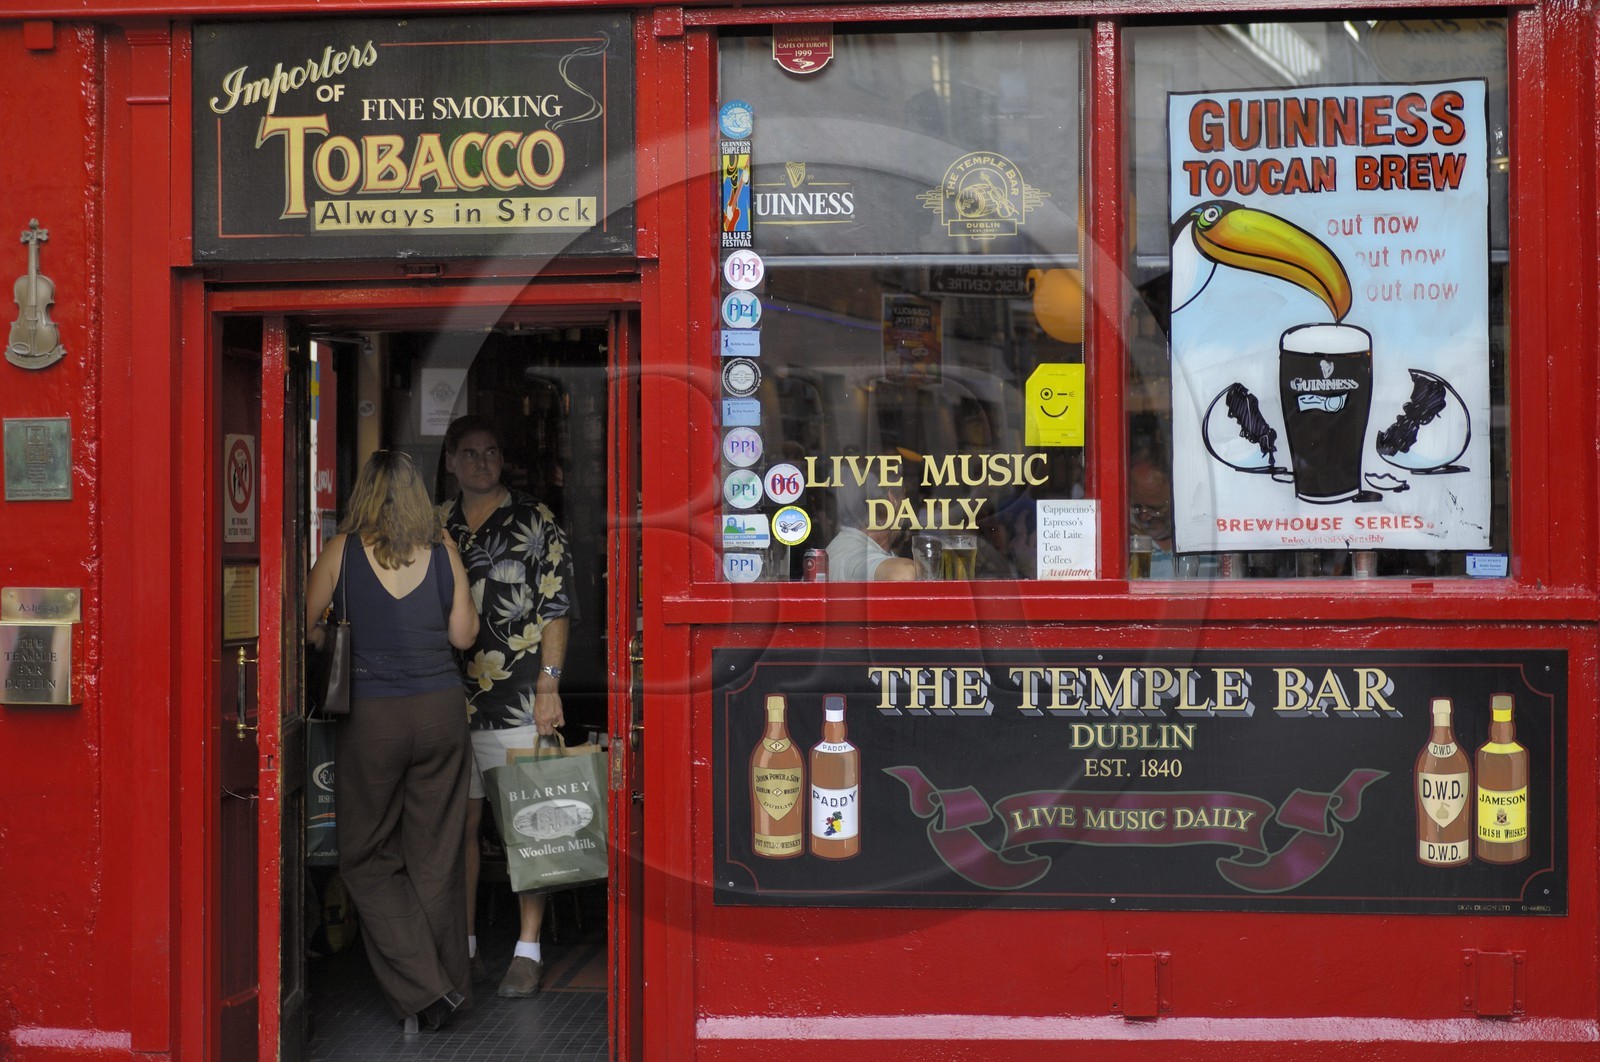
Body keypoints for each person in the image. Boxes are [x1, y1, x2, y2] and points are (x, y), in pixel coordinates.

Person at [304, 450, 479, 1031]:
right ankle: (448, 988)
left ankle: (427, 989)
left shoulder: (341, 551)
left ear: (365, 493)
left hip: (371, 716)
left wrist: (336, 631)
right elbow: (464, 635)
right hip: (440, 712)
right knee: (436, 855)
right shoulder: (444, 550)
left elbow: (303, 625)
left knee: (364, 856)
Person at [440, 415, 576, 1000]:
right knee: (460, 828)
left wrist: (549, 683)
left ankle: (527, 949)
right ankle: (465, 946)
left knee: (530, 826)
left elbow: (557, 607)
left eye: (491, 451)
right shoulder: (435, 525)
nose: (481, 462)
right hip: (446, 698)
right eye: (470, 453)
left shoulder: (534, 519)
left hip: (520, 698)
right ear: (451, 461)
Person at [824, 476, 918, 581]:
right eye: (905, 498)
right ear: (893, 501)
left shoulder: (849, 545)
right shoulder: (850, 551)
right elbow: (905, 574)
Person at [1129, 459, 1178, 578]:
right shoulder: (1123, 541)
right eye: (1137, 507)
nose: (1144, 517)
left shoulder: (1205, 543)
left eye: (1155, 509)